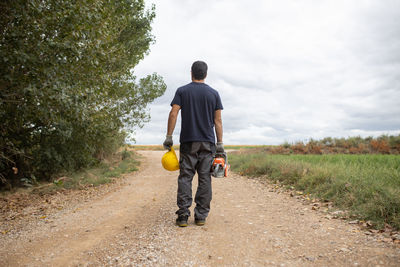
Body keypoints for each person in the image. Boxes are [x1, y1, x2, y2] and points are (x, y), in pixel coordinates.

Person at [163, 60, 224, 227]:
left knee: (185, 178)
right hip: (207, 143)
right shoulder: (214, 93)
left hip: (188, 141)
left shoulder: (182, 91)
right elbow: (217, 121)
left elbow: (173, 113)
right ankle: (201, 216)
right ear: (205, 74)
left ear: (191, 72)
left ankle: (183, 215)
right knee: (205, 179)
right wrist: (220, 144)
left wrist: (169, 136)